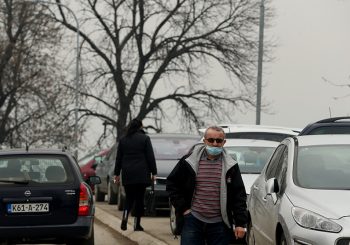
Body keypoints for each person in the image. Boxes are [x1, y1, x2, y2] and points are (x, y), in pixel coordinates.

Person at [166, 126, 248, 245]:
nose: (214, 144)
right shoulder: (189, 161)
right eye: (211, 140)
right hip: (193, 221)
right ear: (204, 141)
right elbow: (172, 183)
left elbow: (238, 196)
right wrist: (183, 208)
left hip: (220, 224)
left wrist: (240, 224)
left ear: (224, 143)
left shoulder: (231, 166)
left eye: (218, 141)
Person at [113, 119, 157, 232]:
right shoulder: (145, 138)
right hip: (141, 173)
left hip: (128, 173)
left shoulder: (123, 140)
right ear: (140, 127)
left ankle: (125, 217)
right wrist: (154, 172)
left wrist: (116, 174)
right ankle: (137, 224)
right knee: (139, 199)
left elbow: (118, 159)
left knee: (129, 198)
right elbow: (150, 157)